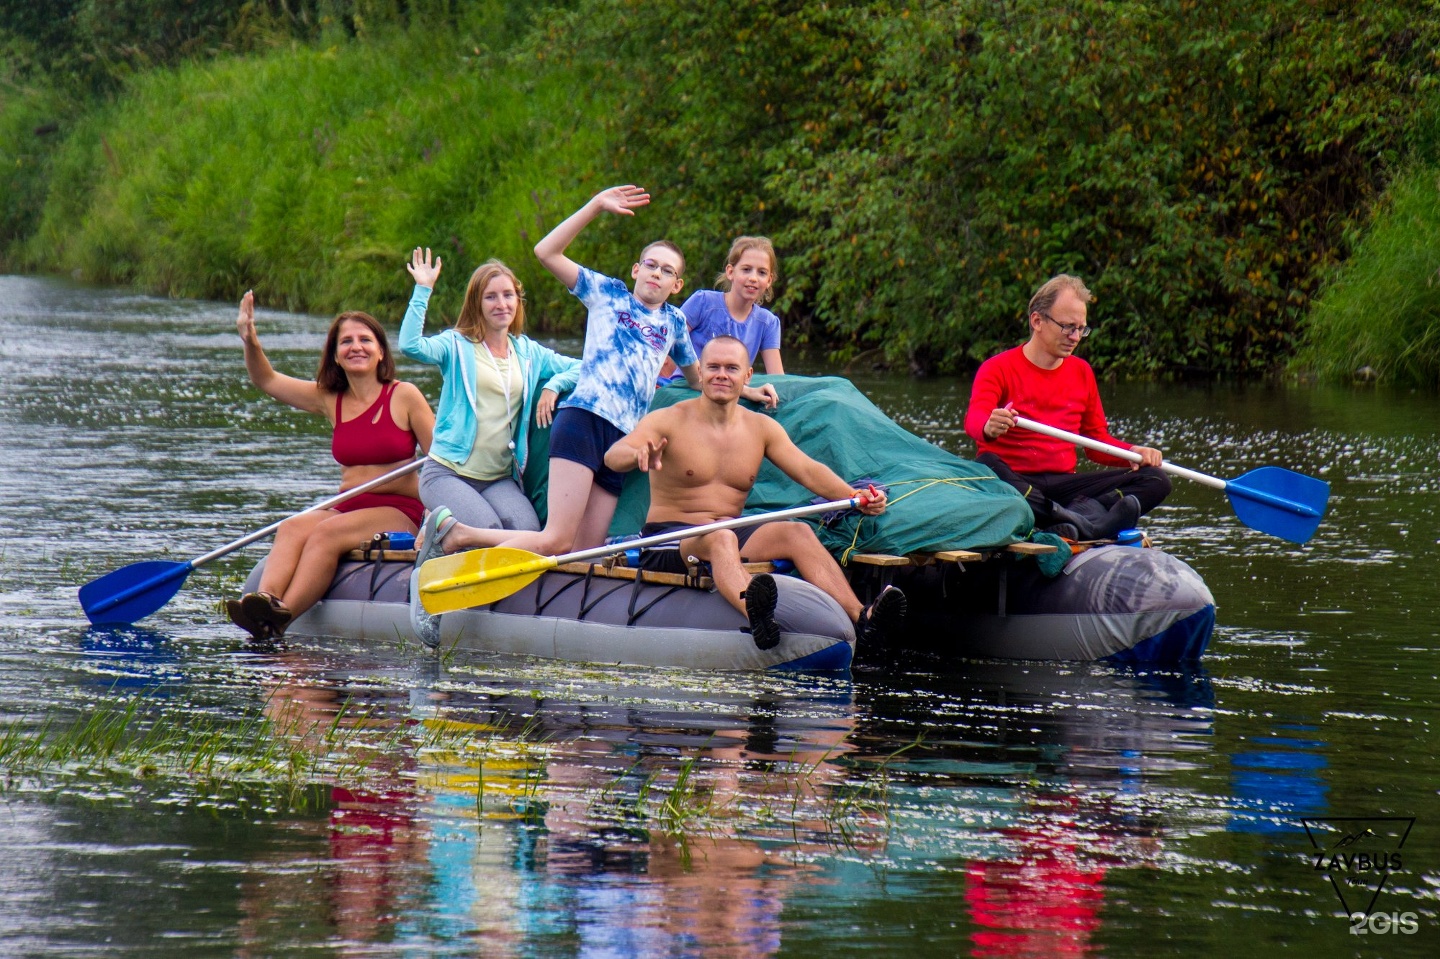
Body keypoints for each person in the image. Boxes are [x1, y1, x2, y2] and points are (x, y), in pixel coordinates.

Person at [428, 184, 775, 561]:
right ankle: (460, 535)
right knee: (557, 541)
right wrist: (595, 206)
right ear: (636, 270)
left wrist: (746, 391)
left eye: (668, 271)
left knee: (585, 552)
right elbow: (545, 251)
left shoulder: (675, 322)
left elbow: (697, 379)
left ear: (677, 285)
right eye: (652, 265)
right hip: (582, 422)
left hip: (623, 442)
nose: (657, 274)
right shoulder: (607, 293)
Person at [604, 335, 907, 650]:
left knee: (796, 533)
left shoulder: (761, 428)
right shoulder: (668, 420)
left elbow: (807, 470)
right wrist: (636, 455)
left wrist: (856, 497)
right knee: (721, 538)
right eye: (714, 367)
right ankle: (757, 616)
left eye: (731, 368)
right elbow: (615, 455)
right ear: (701, 371)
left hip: (729, 532)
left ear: (747, 375)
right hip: (670, 538)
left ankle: (863, 617)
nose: (722, 374)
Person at [227, 292, 434, 640]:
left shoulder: (405, 395)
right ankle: (264, 601)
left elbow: (439, 462)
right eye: (346, 341)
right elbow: (268, 381)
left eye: (365, 340)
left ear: (381, 351)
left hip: (399, 510)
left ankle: (280, 620)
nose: (356, 347)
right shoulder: (330, 398)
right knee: (292, 527)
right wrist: (251, 342)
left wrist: (434, 521)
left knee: (324, 534)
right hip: (347, 506)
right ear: (335, 354)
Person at [963, 274, 1171, 540]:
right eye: (1067, 327)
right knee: (987, 464)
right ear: (1037, 321)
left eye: (1081, 329)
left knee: (1156, 479)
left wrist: (1133, 452)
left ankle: (1075, 520)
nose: (1075, 337)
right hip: (1015, 481)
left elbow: (1096, 442)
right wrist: (989, 426)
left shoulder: (1082, 372)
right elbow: (975, 419)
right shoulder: (997, 368)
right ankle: (1080, 519)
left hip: (1064, 484)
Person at [399, 250, 580, 532]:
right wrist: (423, 289)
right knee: (490, 531)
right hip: (448, 473)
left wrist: (554, 385)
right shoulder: (456, 345)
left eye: (508, 295)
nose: (501, 304)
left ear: (517, 301)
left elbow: (583, 368)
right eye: (491, 296)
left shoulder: (528, 351)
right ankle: (436, 531)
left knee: (528, 532)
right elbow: (411, 345)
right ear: (477, 303)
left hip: (498, 478)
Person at [657, 235, 786, 386]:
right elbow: (666, 344)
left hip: (732, 391)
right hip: (688, 386)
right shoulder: (703, 302)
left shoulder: (768, 323)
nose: (753, 278)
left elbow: (778, 379)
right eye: (746, 269)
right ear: (731, 272)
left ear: (769, 280)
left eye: (762, 273)